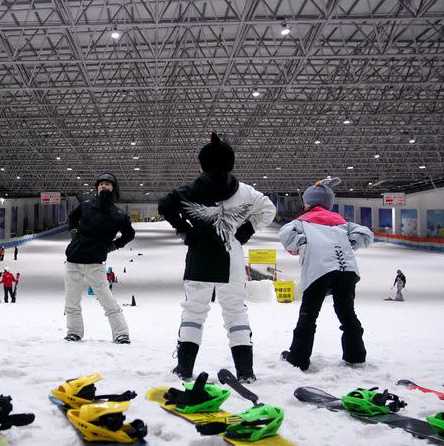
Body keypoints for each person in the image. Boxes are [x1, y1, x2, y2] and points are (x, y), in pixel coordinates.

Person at [158, 132, 276, 382]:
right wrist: (247, 229)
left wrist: (184, 229)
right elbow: (269, 209)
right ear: (230, 163)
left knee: (194, 311)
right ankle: (245, 372)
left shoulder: (189, 190)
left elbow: (165, 205)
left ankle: (184, 368)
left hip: (199, 255)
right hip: (230, 255)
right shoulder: (244, 191)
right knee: (236, 312)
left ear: (202, 164)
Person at [278, 177, 373, 372]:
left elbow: (286, 235)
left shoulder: (303, 222)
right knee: (347, 313)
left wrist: (303, 243)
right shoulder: (341, 223)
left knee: (308, 315)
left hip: (319, 271)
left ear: (308, 203)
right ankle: (356, 356)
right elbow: (365, 233)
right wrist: (350, 243)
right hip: (347, 270)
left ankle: (298, 358)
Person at [64, 172, 135, 343]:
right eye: (101, 184)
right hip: (73, 259)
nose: (104, 186)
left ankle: (121, 333)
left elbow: (129, 234)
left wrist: (113, 245)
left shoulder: (118, 215)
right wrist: (74, 232)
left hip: (95, 262)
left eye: (108, 184)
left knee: (106, 299)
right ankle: (74, 332)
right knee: (71, 301)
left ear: (114, 188)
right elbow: (72, 218)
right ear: (97, 187)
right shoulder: (86, 205)